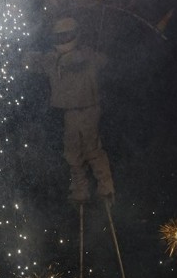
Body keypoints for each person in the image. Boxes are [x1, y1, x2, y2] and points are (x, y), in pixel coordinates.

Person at [22, 15, 115, 205]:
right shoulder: (55, 59)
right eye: (59, 36)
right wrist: (19, 54)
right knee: (72, 150)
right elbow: (36, 61)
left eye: (66, 36)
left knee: (91, 149)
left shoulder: (86, 55)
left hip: (88, 109)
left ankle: (105, 187)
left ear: (75, 35)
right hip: (70, 111)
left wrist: (95, 51)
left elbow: (96, 60)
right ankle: (80, 188)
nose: (63, 40)